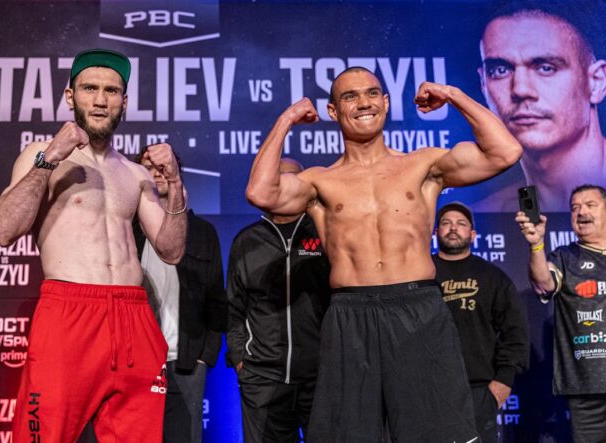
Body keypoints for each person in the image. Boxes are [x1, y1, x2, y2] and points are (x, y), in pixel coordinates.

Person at [245, 67, 522, 441]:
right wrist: (286, 120)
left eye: (372, 93)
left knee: (437, 433)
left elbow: (505, 152)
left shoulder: (423, 166)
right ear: (332, 111)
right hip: (349, 315)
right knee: (350, 435)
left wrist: (452, 94)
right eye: (350, 97)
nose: (364, 103)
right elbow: (261, 194)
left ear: (386, 102)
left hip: (418, 309)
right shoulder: (318, 182)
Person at [0, 49, 187, 443]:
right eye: (90, 89)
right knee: (43, 436)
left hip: (133, 316)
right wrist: (49, 161)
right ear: (69, 96)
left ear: (124, 101)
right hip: (69, 313)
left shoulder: (135, 173)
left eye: (111, 91)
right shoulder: (40, 154)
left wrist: (176, 185)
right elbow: (3, 231)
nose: (100, 100)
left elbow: (171, 250)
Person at [227, 158, 331, 443]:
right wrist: (241, 361)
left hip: (319, 377)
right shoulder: (246, 241)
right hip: (262, 378)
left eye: (292, 181)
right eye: (277, 179)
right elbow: (235, 309)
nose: (284, 188)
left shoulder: (324, 234)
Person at [133, 147, 226, 443]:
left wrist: (205, 357)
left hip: (185, 362)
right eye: (149, 166)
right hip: (134, 362)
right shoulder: (124, 229)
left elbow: (216, 299)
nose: (158, 172)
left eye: (164, 167)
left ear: (176, 175)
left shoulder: (202, 232)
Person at [475, 4, 606, 212]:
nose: (520, 89)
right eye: (500, 70)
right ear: (484, 84)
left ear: (597, 82)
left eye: (546, 68)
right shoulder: (484, 215)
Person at [432, 202, 529, 443]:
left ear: (473, 235)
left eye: (461, 224)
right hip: (428, 390)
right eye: (446, 223)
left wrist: (503, 381)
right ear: (435, 233)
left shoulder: (493, 277)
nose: (453, 228)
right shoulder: (421, 274)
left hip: (479, 390)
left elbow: (515, 332)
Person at [516, 184, 606, 443]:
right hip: (585, 385)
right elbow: (544, 282)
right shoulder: (565, 257)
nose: (581, 212)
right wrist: (536, 245)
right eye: (574, 207)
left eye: (590, 205)